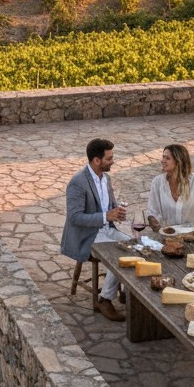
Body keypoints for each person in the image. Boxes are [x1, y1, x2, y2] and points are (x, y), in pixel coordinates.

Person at [60, 137, 130, 321]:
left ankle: (126, 290)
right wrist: (106, 216)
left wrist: (117, 213)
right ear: (96, 160)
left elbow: (109, 208)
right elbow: (75, 217)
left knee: (134, 247)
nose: (112, 161)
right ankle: (104, 300)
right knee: (117, 256)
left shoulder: (106, 178)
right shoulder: (78, 182)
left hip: (107, 230)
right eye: (109, 158)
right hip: (87, 235)